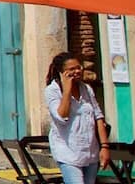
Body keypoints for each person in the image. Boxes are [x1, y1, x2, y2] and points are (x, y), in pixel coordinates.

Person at [45, 53, 110, 184]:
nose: (77, 71)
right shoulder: (52, 91)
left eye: (78, 67)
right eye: (72, 69)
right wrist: (67, 90)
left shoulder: (86, 89)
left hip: (90, 152)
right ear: (61, 72)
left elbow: (98, 117)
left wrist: (104, 146)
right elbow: (61, 116)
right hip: (67, 152)